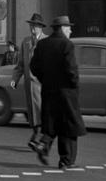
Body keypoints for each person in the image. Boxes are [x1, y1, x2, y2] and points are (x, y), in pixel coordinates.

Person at [29, 15, 86, 168]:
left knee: (52, 122)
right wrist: (74, 84)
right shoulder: (66, 45)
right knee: (68, 125)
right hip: (66, 92)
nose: (71, 30)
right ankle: (66, 160)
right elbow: (71, 69)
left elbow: (33, 67)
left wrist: (45, 80)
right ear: (62, 28)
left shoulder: (42, 44)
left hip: (48, 91)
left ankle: (43, 145)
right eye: (69, 28)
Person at [10, 12, 47, 149]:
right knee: (32, 111)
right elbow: (20, 64)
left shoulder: (46, 41)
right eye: (31, 26)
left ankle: (38, 137)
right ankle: (37, 136)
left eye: (36, 26)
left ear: (41, 27)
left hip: (41, 83)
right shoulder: (25, 42)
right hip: (28, 84)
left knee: (40, 110)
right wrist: (14, 79)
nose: (33, 29)